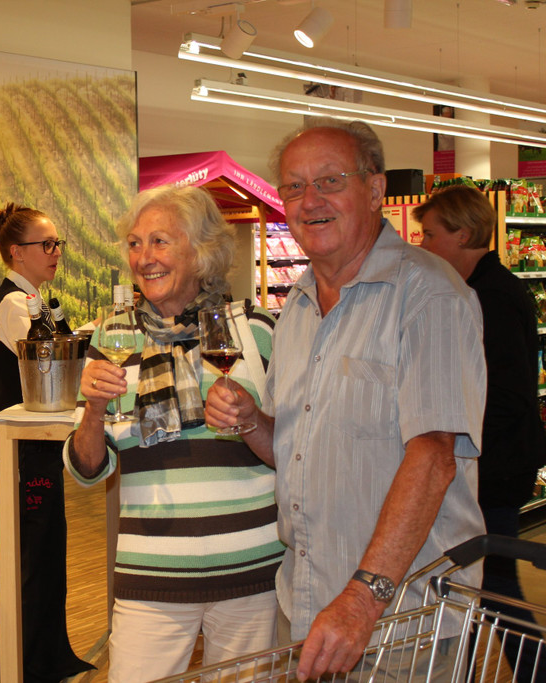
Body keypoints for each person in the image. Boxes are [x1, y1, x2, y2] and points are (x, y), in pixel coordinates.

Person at [206, 119, 487, 681]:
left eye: (330, 181)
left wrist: (362, 598)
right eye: (293, 186)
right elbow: (294, 450)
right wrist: (251, 421)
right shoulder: (297, 307)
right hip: (305, 608)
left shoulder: (429, 295)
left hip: (401, 623)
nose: (310, 200)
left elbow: (434, 458)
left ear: (376, 189)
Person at [65, 185, 284, 683]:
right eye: (135, 244)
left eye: (160, 241)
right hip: (151, 575)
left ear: (201, 250)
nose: (144, 257)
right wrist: (93, 410)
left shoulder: (255, 330)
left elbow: (294, 453)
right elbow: (87, 469)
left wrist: (250, 419)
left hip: (251, 571)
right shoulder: (113, 337)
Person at [413, 184, 546, 681]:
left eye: (431, 234)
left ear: (463, 234)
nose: (423, 244)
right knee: (476, 584)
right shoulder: (477, 289)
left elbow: (507, 397)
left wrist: (447, 434)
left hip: (495, 470)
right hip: (491, 466)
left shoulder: (493, 298)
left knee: (491, 584)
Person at [0, 203, 92, 682]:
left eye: (57, 243)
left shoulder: (36, 301)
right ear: (16, 252)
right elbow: (50, 367)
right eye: (46, 244)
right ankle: (19, 667)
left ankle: (43, 661)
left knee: (44, 557)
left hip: (37, 451)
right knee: (24, 565)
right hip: (18, 456)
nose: (56, 252)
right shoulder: (13, 305)